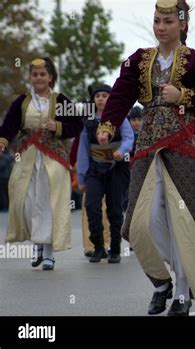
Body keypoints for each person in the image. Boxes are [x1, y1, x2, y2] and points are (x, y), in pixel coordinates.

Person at [95, 0, 195, 316]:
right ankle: (161, 282)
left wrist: (183, 96)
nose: (161, 26)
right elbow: (120, 94)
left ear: (182, 24)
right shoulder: (138, 61)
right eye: (157, 20)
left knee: (186, 222)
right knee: (141, 222)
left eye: (167, 21)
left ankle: (182, 292)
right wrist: (108, 123)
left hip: (187, 147)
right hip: (149, 146)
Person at [0, 57, 83, 270]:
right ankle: (36, 243)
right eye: (35, 74)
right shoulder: (22, 102)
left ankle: (47, 252)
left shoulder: (61, 100)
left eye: (42, 74)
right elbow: (9, 124)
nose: (39, 78)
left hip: (53, 158)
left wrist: (57, 126)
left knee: (47, 202)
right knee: (24, 201)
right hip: (27, 156)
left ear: (51, 77)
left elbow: (77, 125)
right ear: (30, 77)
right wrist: (3, 140)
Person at [77, 84, 133, 263]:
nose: (100, 98)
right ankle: (99, 247)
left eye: (104, 95)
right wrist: (81, 177)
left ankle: (115, 249)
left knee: (115, 208)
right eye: (97, 96)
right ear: (93, 100)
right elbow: (83, 150)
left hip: (116, 168)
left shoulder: (119, 118)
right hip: (95, 169)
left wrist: (122, 151)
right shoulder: (89, 121)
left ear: (111, 99)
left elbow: (129, 138)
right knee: (92, 206)